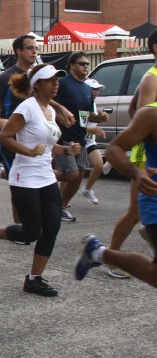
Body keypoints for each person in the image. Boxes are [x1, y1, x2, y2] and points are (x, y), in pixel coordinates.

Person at [0, 64, 78, 297]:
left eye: (57, 80)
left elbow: (49, 148)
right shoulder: (27, 108)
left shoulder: (49, 111)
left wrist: (68, 150)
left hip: (45, 175)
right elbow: (4, 137)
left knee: (52, 227)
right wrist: (27, 151)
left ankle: (34, 279)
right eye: (51, 80)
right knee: (31, 232)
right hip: (25, 177)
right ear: (37, 84)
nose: (56, 84)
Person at [0, 35, 75, 224]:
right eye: (30, 48)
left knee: (35, 173)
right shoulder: (5, 77)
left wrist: (59, 108)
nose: (34, 52)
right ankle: (19, 226)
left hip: (33, 134)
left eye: (36, 48)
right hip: (11, 137)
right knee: (18, 181)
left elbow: (41, 97)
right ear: (19, 51)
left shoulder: (34, 77)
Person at [75, 100, 157, 287]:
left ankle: (97, 252)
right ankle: (100, 253)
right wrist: (136, 173)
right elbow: (114, 149)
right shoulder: (151, 115)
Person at [105, 30, 157, 278]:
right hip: (144, 156)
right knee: (135, 211)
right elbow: (142, 119)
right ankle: (110, 256)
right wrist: (138, 169)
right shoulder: (152, 78)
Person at [53, 51, 108, 222]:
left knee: (78, 175)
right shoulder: (61, 83)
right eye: (82, 64)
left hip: (80, 138)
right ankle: (41, 174)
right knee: (71, 174)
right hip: (63, 137)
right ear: (71, 65)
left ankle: (61, 207)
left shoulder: (86, 89)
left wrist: (98, 117)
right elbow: (43, 100)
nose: (85, 67)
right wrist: (59, 112)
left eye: (87, 64)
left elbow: (86, 116)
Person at [79, 78, 107, 205]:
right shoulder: (81, 103)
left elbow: (94, 120)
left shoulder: (93, 104)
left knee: (99, 165)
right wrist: (93, 130)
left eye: (97, 90)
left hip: (90, 142)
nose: (96, 92)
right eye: (93, 89)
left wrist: (102, 118)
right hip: (79, 142)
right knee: (74, 175)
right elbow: (79, 128)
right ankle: (62, 199)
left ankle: (87, 189)